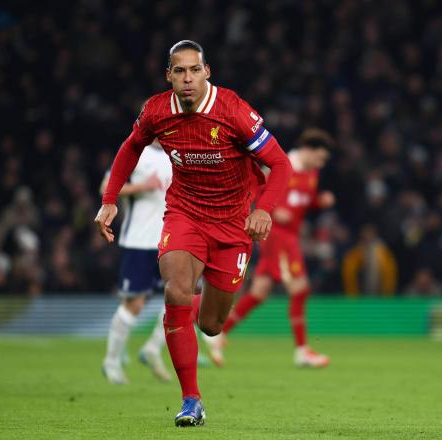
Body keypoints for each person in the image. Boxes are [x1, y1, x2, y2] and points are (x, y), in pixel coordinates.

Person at [94, 40, 292, 427]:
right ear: (168, 75)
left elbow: (281, 165)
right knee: (176, 290)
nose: (187, 79)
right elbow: (130, 147)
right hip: (184, 214)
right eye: (179, 71)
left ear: (207, 72)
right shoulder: (156, 111)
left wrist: (264, 209)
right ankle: (191, 400)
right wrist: (110, 198)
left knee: (212, 324)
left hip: (233, 225)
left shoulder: (233, 111)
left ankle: (190, 314)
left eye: (194, 70)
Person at [204, 128, 335, 368]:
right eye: (320, 157)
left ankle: (218, 334)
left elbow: (302, 202)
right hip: (276, 235)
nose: (321, 163)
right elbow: (255, 193)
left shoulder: (312, 173)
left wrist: (319, 202)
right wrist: (274, 211)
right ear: (307, 150)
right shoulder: (283, 165)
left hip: (291, 236)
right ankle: (302, 350)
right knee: (300, 288)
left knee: (260, 291)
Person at [101, 139, 173, 385]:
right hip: (140, 240)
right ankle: (111, 362)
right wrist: (143, 186)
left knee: (183, 296)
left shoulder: (178, 151)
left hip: (171, 240)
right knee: (135, 305)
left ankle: (152, 348)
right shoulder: (135, 152)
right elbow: (106, 187)